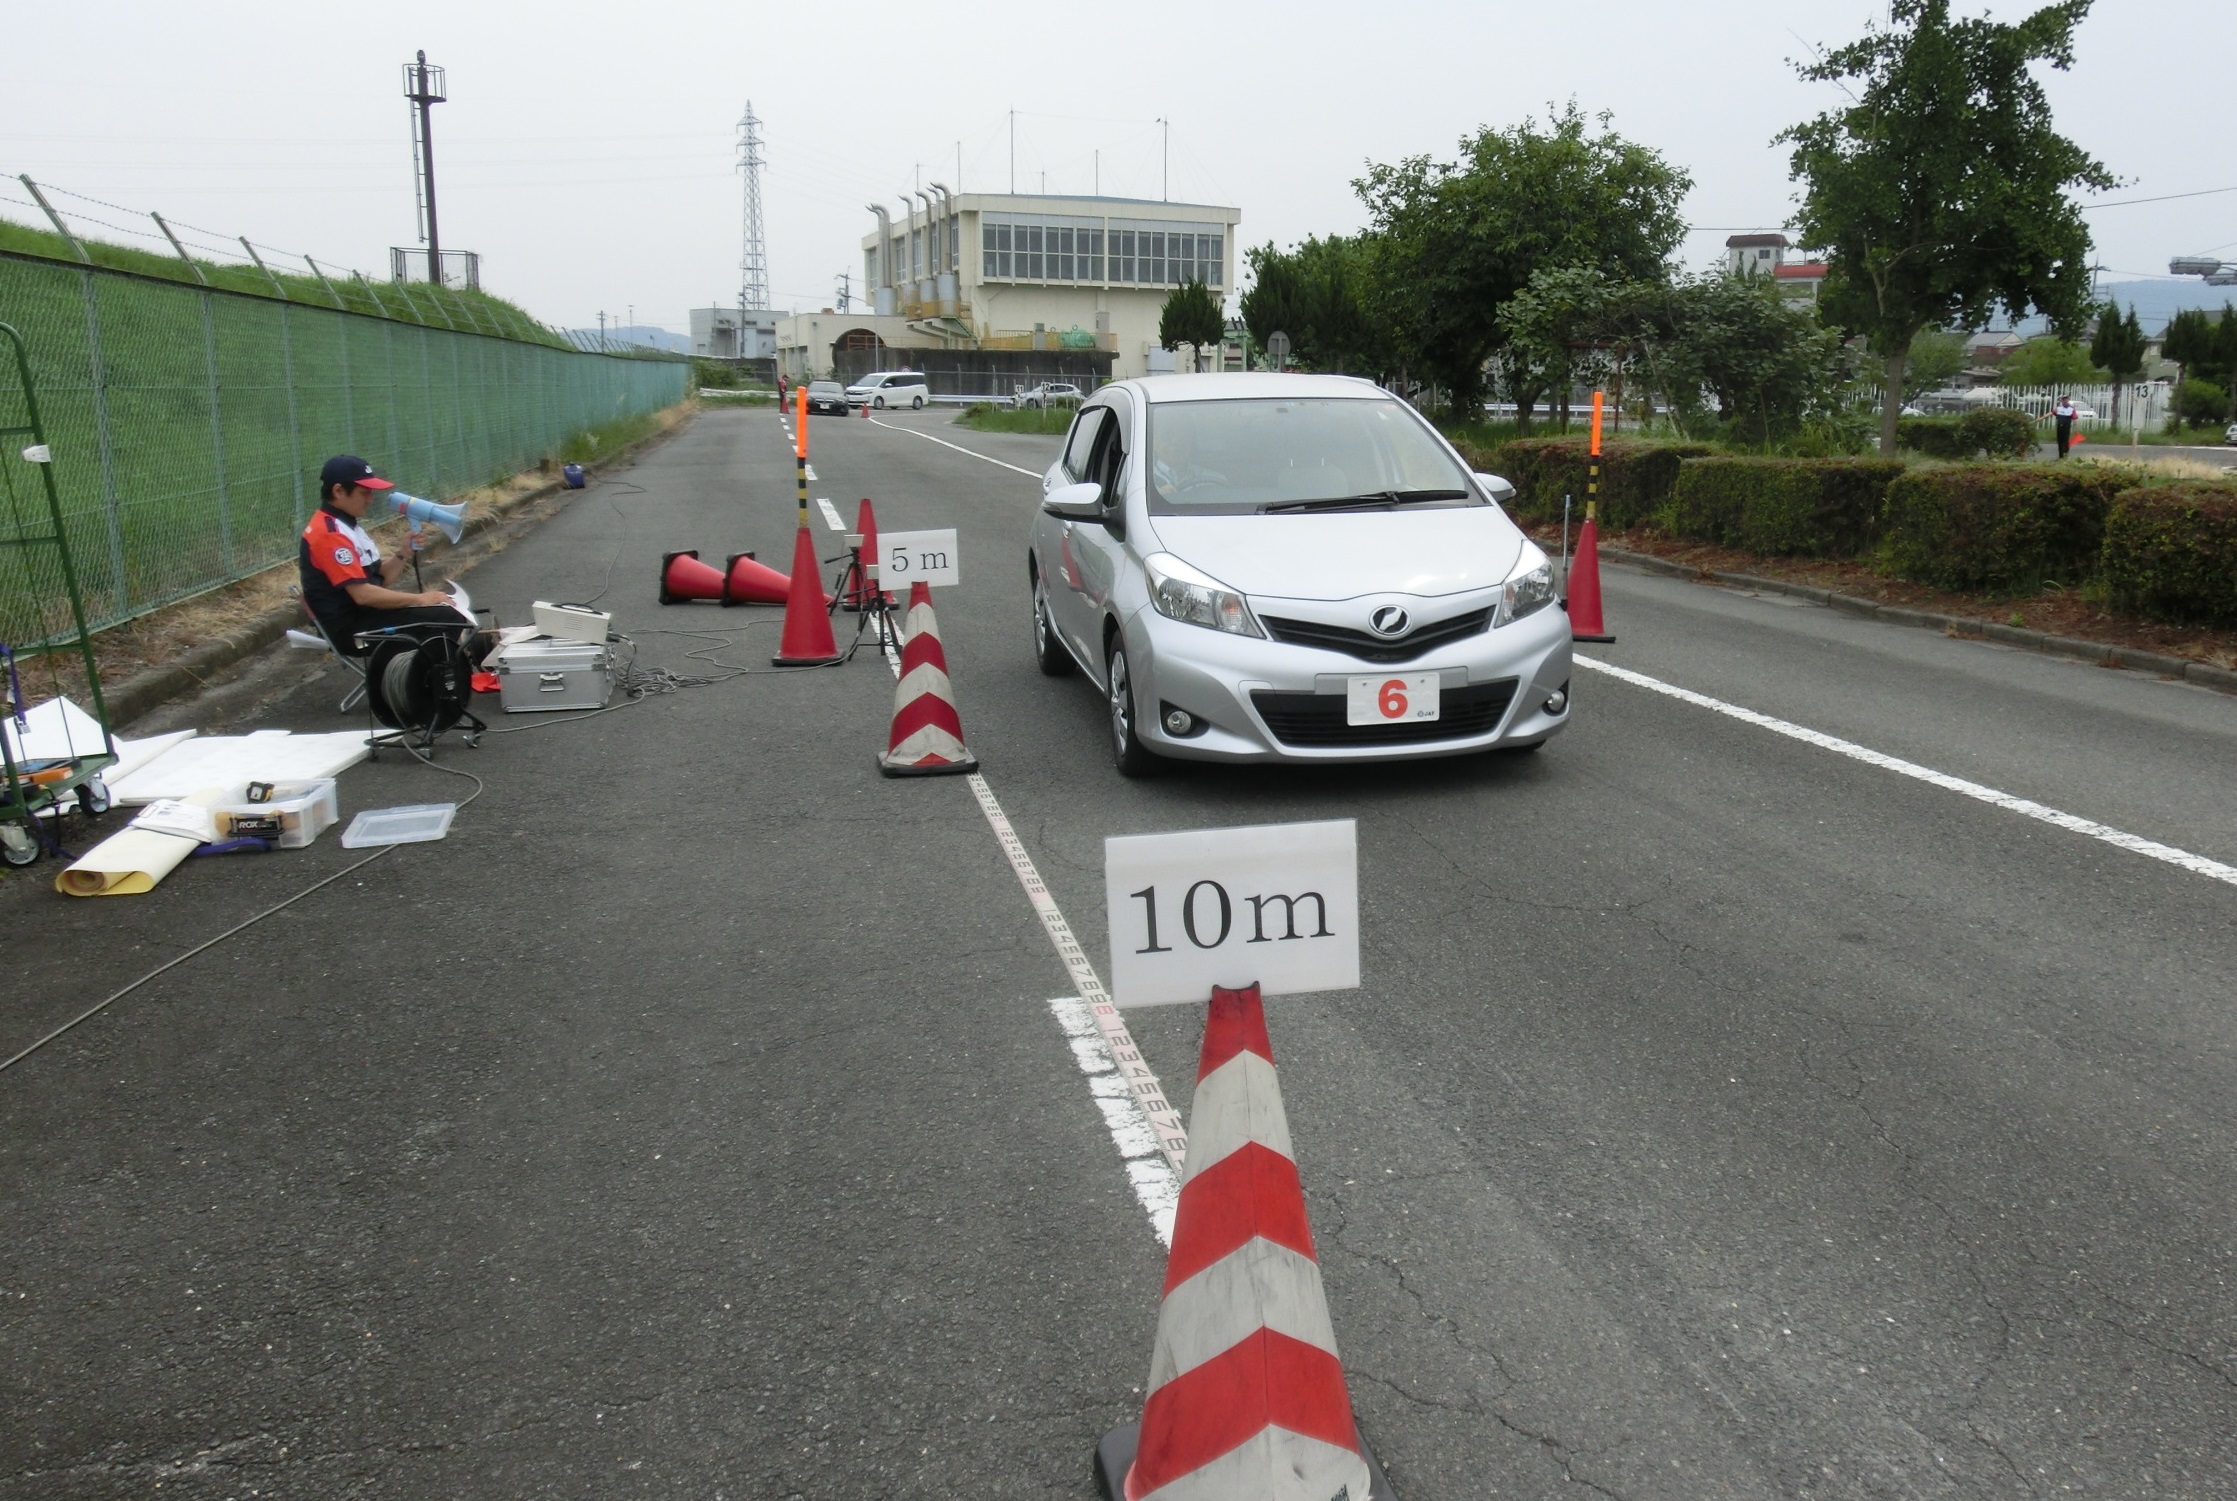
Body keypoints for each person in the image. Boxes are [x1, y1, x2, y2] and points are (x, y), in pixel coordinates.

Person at [299, 455, 487, 658]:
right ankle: (431, 681)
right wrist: (420, 599)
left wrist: (402, 554)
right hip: (351, 630)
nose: (370, 499)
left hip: (366, 617)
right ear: (338, 491)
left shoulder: (347, 525)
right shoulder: (330, 534)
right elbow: (363, 595)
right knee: (446, 618)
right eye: (364, 492)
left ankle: (427, 675)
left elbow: (379, 579)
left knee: (442, 610)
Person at [2053, 394, 2076, 458]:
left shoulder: (2071, 409)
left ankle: (2065, 456)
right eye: (2063, 399)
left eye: (2066, 399)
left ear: (2068, 400)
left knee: (2065, 441)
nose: (2065, 400)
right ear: (2062, 400)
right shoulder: (2059, 408)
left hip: (2066, 427)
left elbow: (2074, 418)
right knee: (2059, 441)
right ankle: (2061, 457)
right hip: (2059, 426)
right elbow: (2051, 413)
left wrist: (2075, 429)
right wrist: (2041, 418)